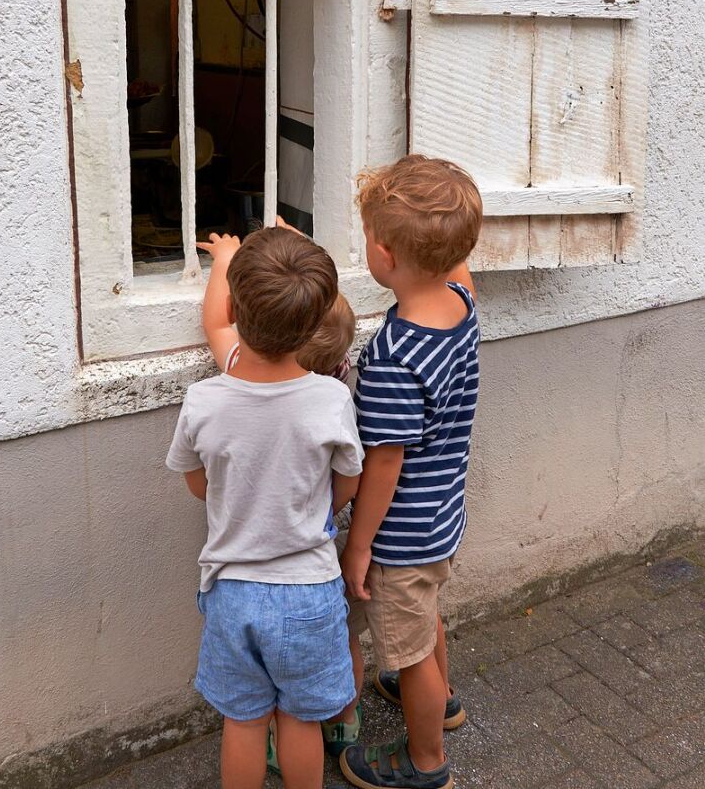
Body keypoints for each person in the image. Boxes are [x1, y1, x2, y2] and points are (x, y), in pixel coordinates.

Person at [166, 226, 364, 789]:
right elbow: (347, 483)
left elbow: (198, 487)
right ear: (315, 323)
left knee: (244, 722)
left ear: (236, 306)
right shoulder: (331, 397)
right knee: (300, 721)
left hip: (233, 592)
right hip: (310, 589)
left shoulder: (206, 398)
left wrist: (225, 260)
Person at [339, 155, 482, 789]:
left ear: (387, 256)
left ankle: (425, 763)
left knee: (410, 644)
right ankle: (439, 699)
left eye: (369, 236)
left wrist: (360, 546)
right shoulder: (459, 299)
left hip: (400, 535)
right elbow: (455, 260)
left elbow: (382, 464)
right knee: (423, 620)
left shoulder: (397, 357)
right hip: (441, 514)